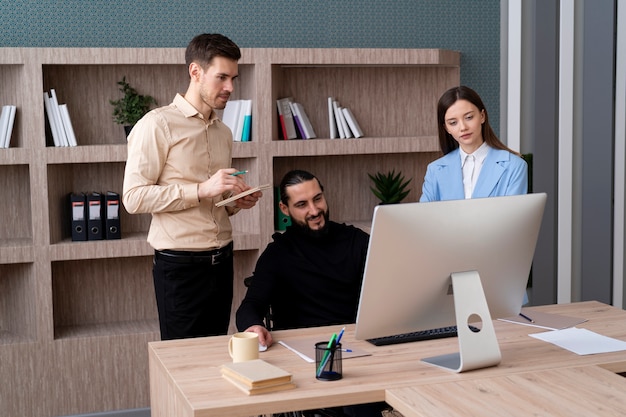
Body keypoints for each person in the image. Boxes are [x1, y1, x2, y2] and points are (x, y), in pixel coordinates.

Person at [122, 33, 262, 340]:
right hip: (180, 269)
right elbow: (133, 198)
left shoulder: (224, 132)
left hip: (223, 261)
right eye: (222, 77)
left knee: (214, 360)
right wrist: (200, 189)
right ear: (195, 72)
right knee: (184, 366)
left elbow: (214, 201)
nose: (230, 88)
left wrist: (236, 201)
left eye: (234, 78)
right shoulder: (156, 125)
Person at [236, 169, 387, 417]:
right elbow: (249, 306)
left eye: (317, 199)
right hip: (305, 359)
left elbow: (388, 287)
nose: (314, 211)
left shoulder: (356, 241)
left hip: (359, 351)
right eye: (302, 204)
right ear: (285, 209)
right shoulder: (277, 254)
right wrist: (253, 326)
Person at [420, 85, 528, 202]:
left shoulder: (515, 166)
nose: (463, 127)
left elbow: (513, 217)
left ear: (482, 116)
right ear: (446, 128)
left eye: (469, 117)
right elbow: (425, 217)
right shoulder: (434, 170)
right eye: (453, 122)